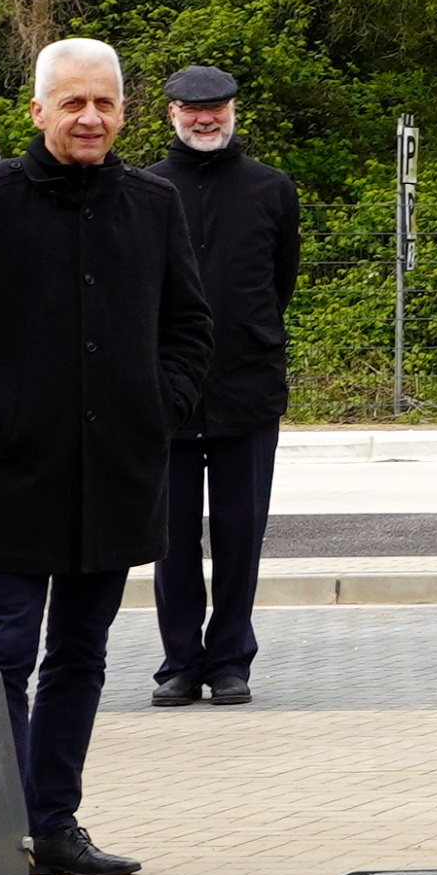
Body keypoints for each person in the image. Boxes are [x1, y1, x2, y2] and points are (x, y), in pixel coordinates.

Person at [0, 40, 206, 875]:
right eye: (73, 103)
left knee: (81, 654)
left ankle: (55, 822)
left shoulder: (153, 204)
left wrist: (160, 404)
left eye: (105, 104)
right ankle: (3, 829)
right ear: (38, 110)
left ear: (123, 112)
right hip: (10, 475)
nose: (90, 118)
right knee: (4, 654)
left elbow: (189, 325)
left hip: (115, 474)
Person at [146, 64, 299, 712]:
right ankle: (180, 662)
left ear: (235, 109)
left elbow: (281, 278)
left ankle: (231, 658)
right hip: (168, 395)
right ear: (172, 114)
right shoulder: (146, 189)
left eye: (216, 107)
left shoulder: (271, 188)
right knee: (172, 538)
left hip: (248, 389)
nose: (204, 118)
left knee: (241, 533)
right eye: (191, 108)